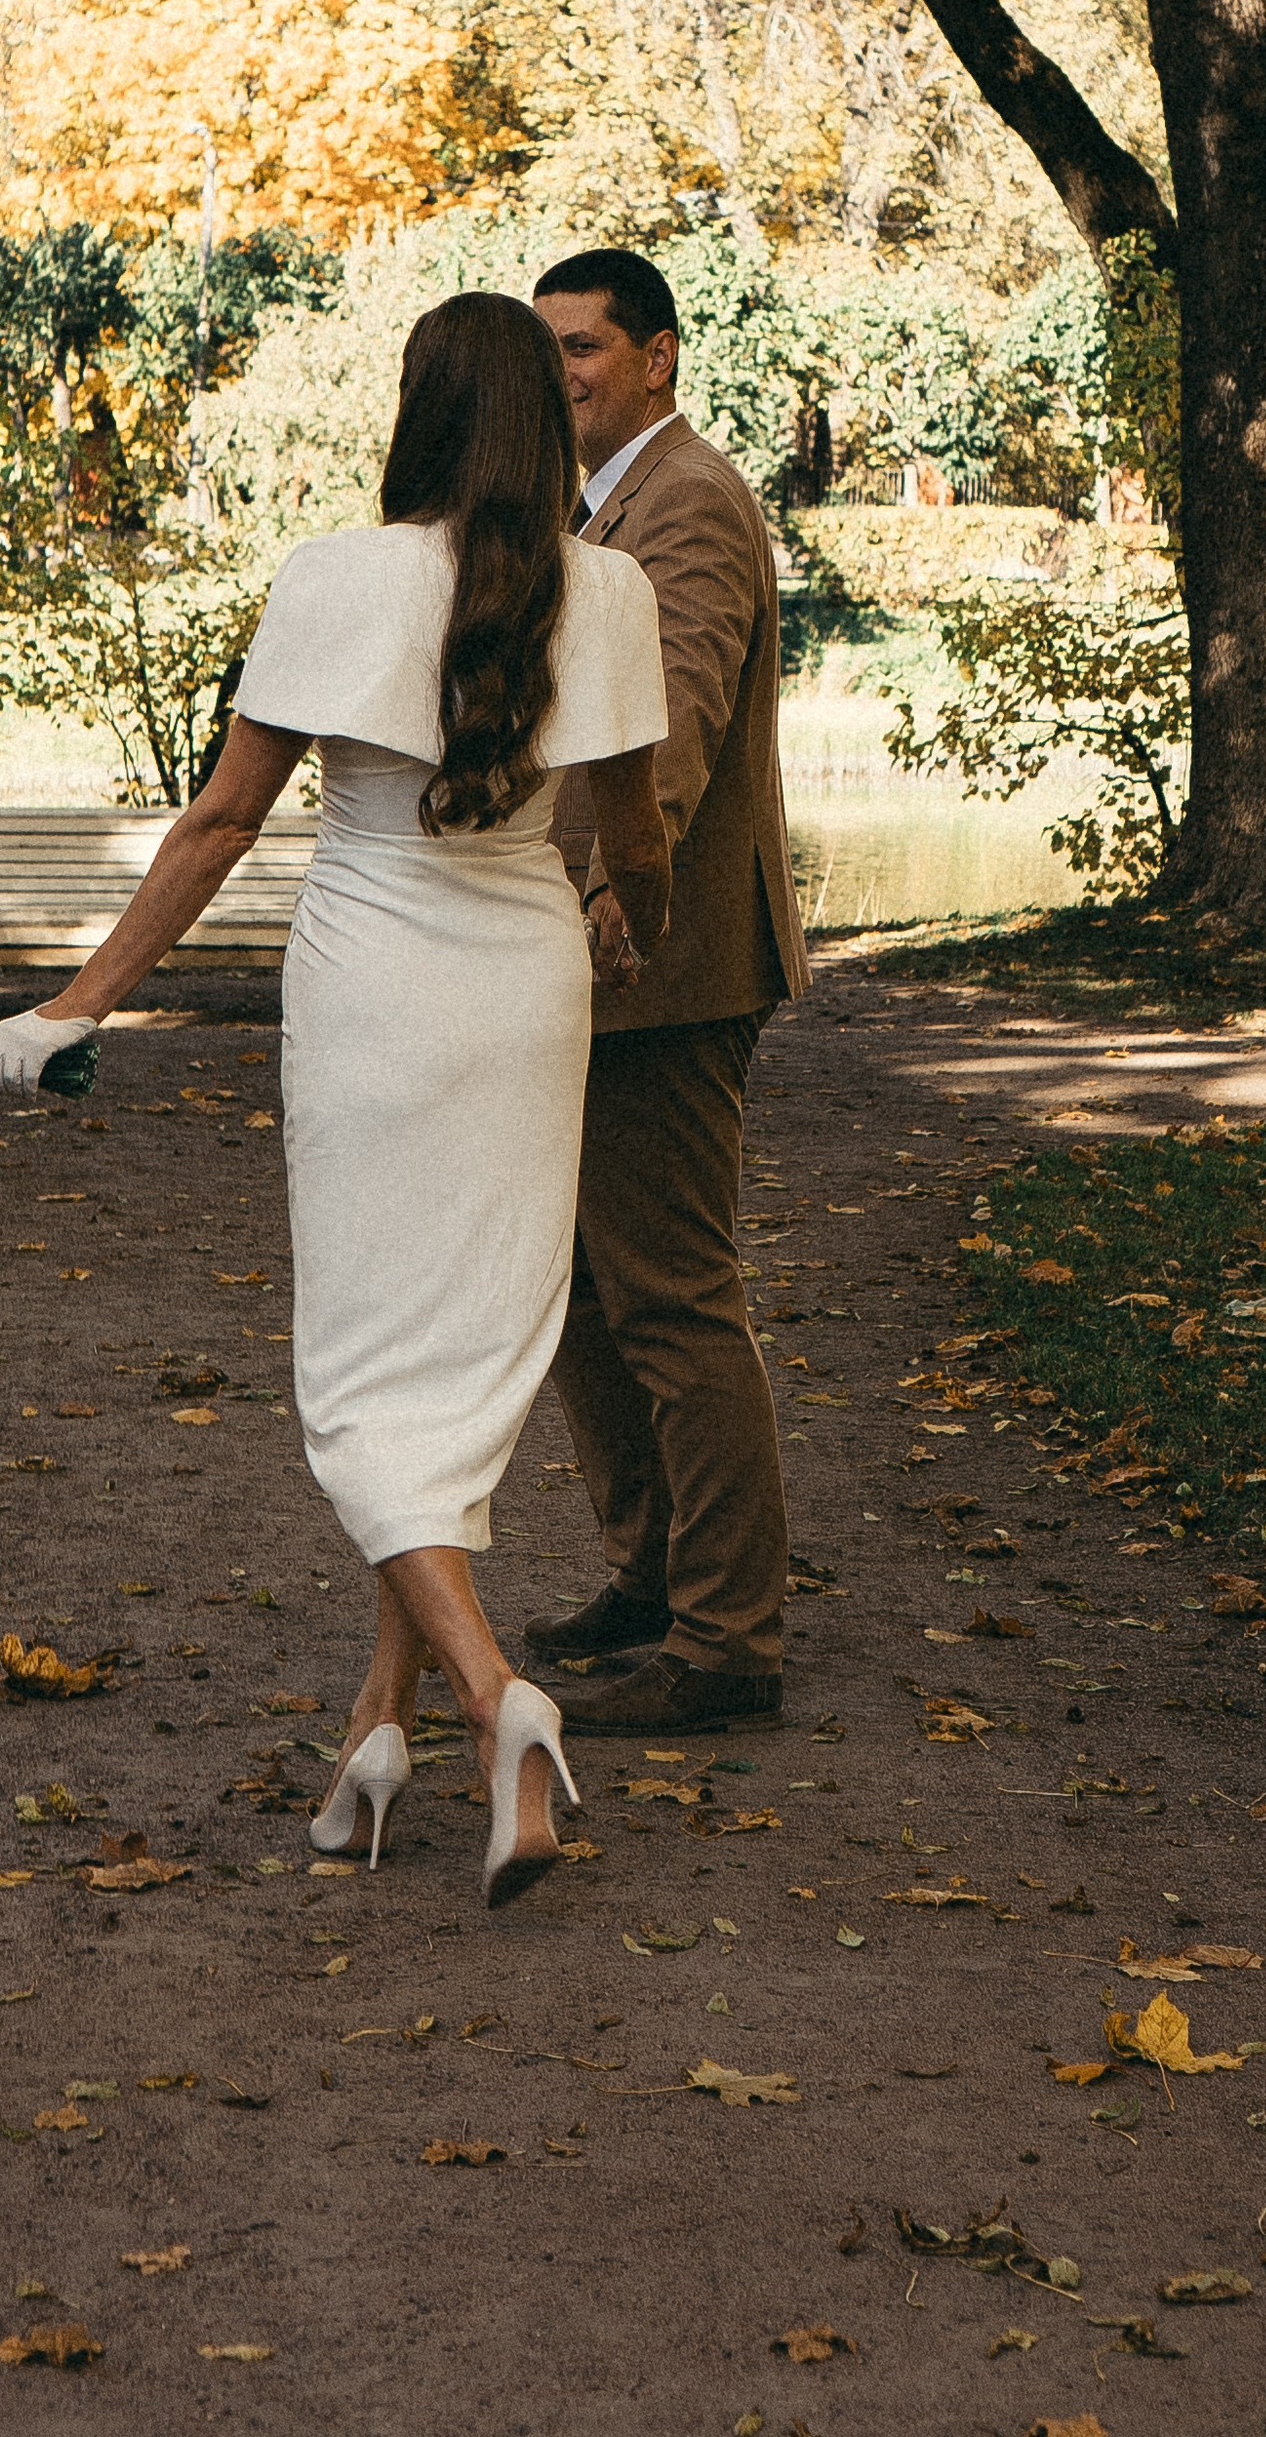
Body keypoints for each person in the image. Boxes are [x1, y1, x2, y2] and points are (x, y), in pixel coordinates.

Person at [0, 292, 670, 1908]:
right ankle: (375, 1733)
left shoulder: (337, 578)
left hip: (371, 990)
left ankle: (502, 1704)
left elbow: (223, 824)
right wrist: (617, 917)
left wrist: (84, 1002)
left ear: (420, 413)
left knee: (365, 1378)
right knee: (462, 1354)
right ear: (534, 420)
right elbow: (634, 832)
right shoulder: (614, 589)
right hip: (523, 988)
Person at [525, 249, 810, 1736]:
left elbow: (677, 704)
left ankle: (727, 1639)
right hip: (579, 951)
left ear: (659, 359)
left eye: (583, 347)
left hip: (660, 956)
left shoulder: (684, 500)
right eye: (545, 348)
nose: (560, 369)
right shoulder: (586, 511)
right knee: (580, 1292)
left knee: (674, 1297)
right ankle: (648, 1573)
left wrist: (616, 899)